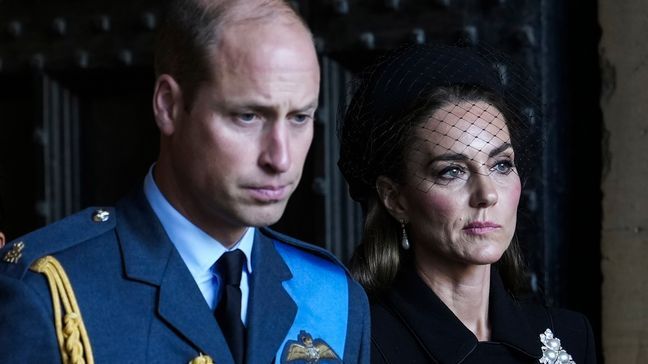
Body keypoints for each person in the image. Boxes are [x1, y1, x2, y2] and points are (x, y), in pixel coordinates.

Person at [0, 0, 369, 363]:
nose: (281, 158)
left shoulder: (330, 294)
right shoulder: (46, 293)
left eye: (300, 118)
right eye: (247, 116)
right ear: (168, 106)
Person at [338, 44, 596, 363]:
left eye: (501, 164)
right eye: (452, 171)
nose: (487, 194)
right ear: (395, 198)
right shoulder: (354, 343)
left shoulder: (569, 335)